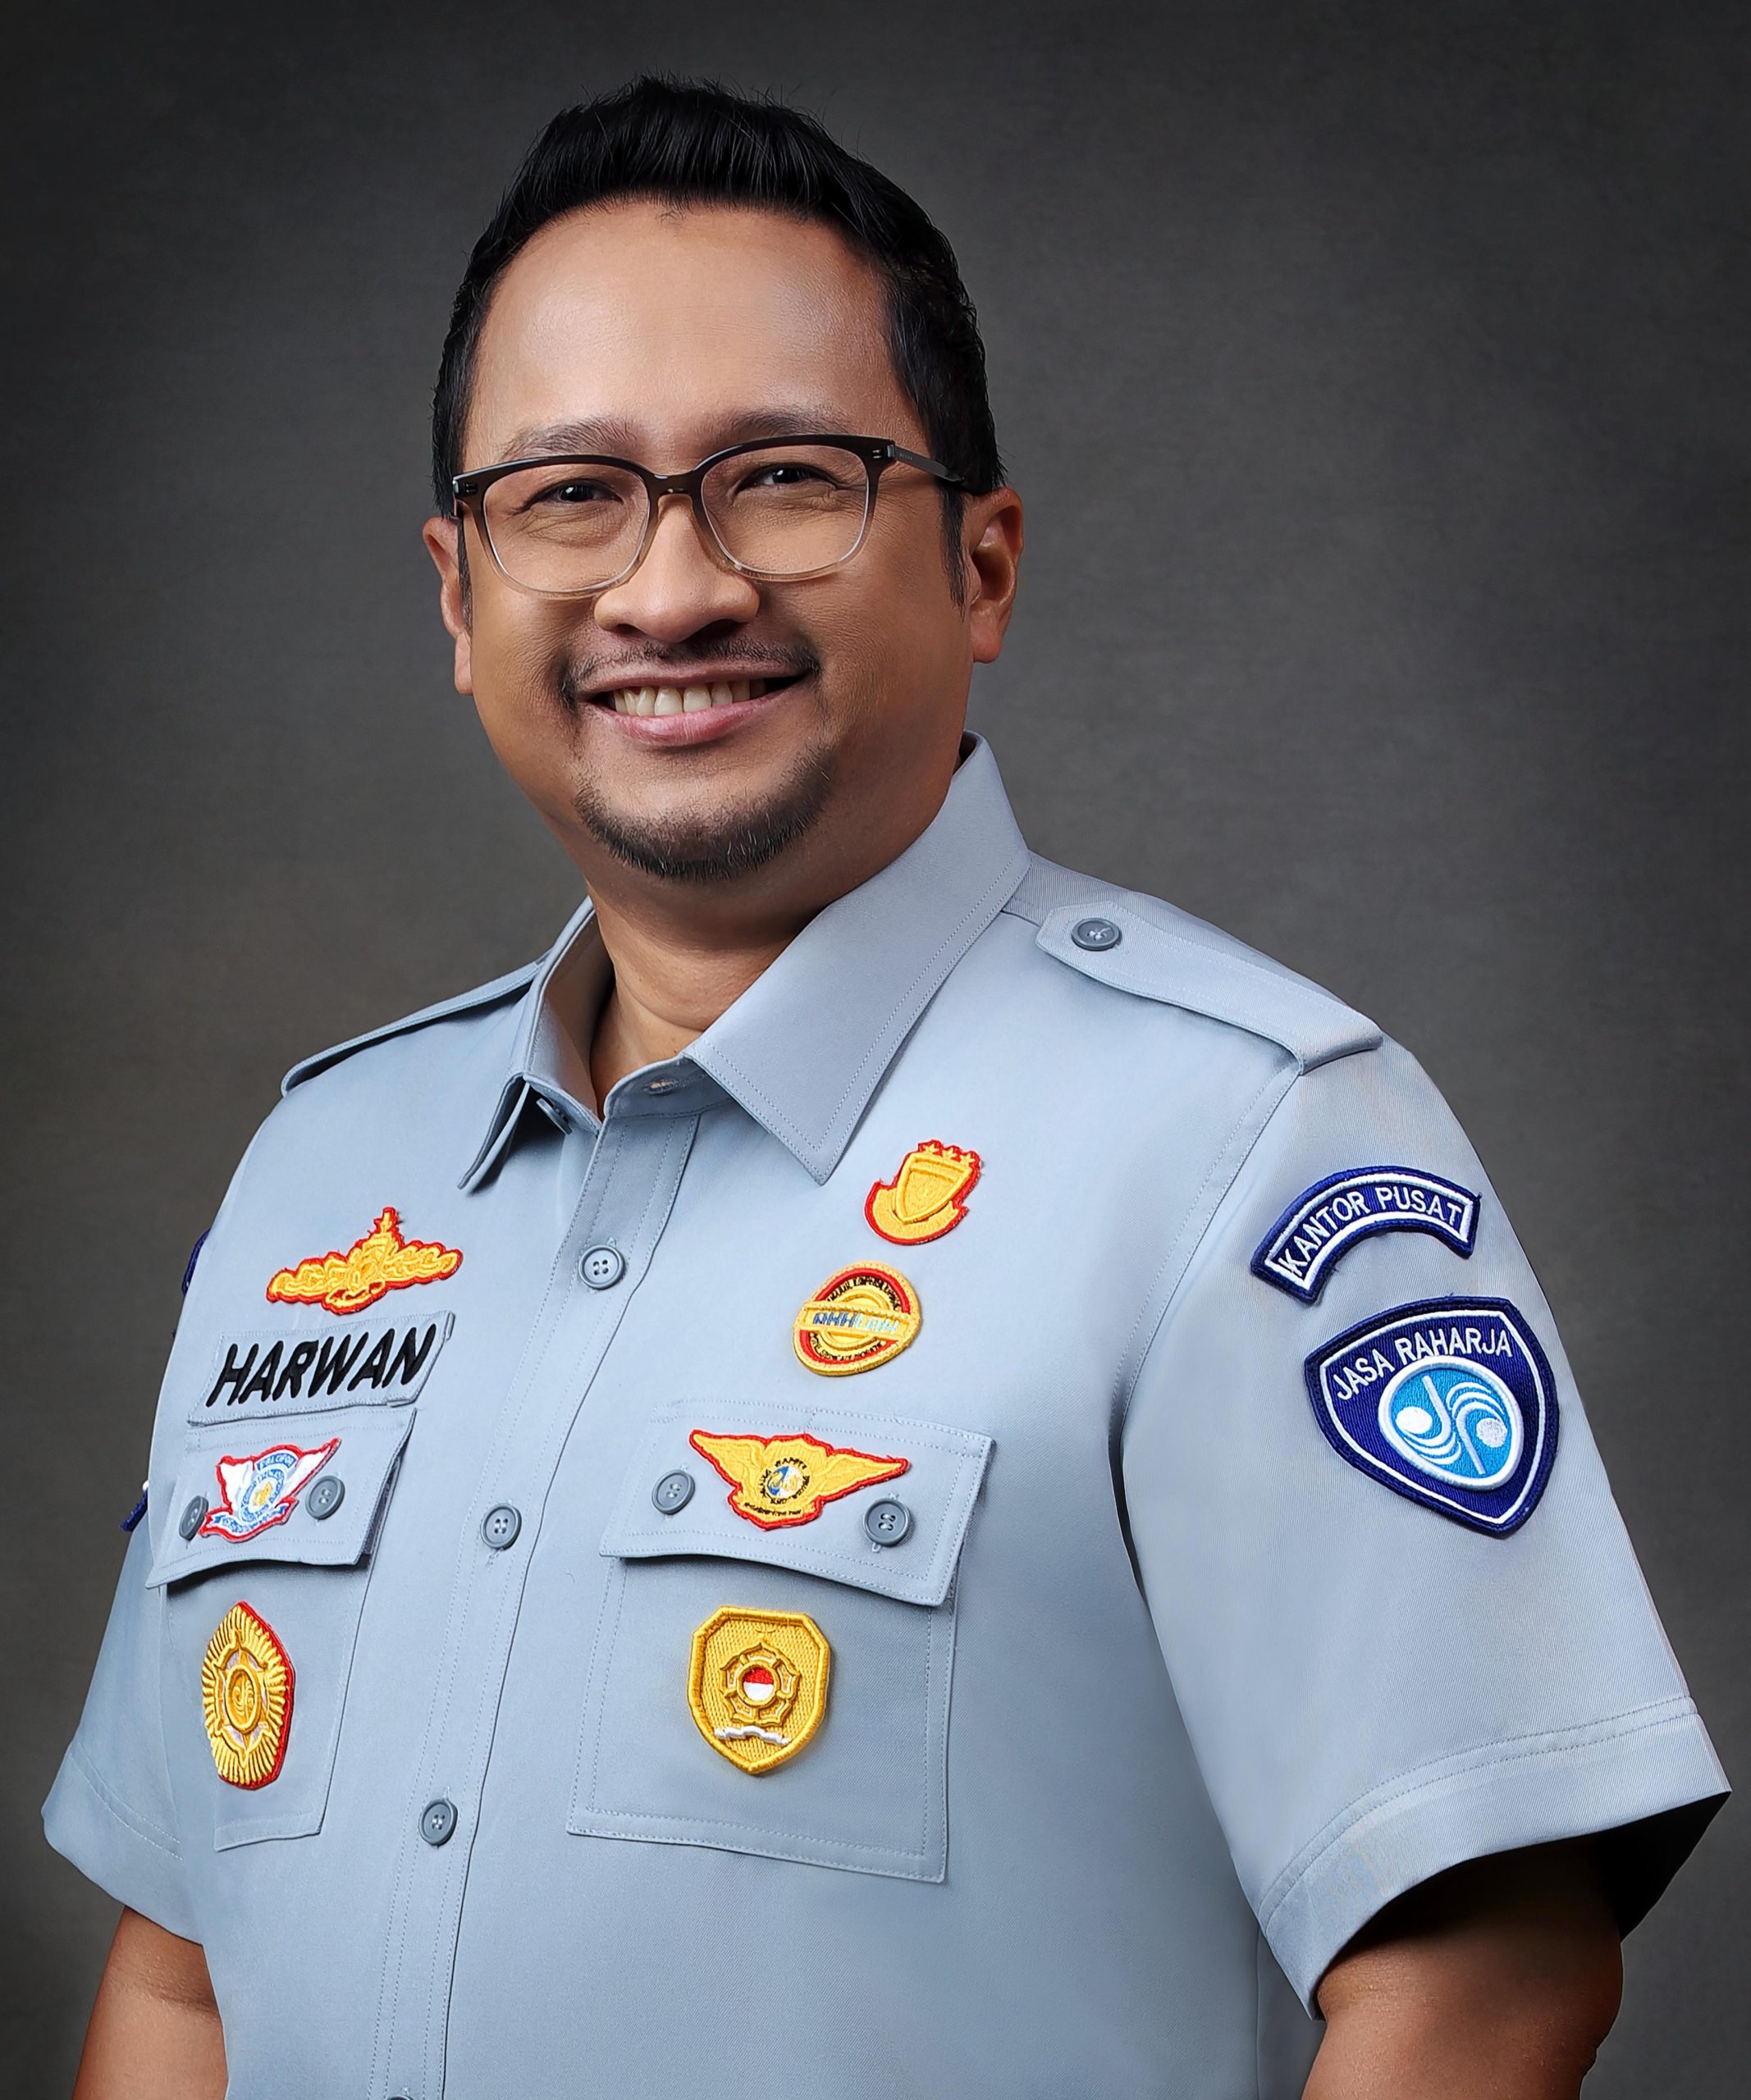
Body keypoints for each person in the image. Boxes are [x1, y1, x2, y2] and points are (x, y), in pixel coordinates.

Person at [47, 76, 1725, 2100]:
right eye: (567, 493)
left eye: (782, 476)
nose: (670, 588)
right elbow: (184, 1979)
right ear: (457, 592)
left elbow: (1480, 1980)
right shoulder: (324, 1171)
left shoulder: (1239, 1141)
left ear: (982, 563)